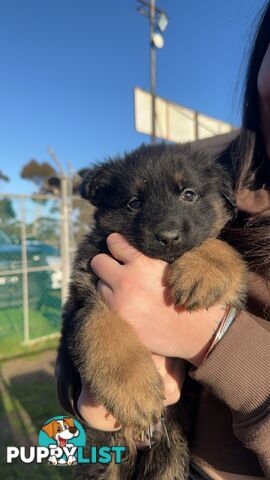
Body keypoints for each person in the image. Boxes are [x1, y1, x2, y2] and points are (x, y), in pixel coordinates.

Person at [75, 2, 270, 479]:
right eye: (137, 204)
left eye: (186, 194)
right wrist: (91, 389)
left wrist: (214, 338)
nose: (167, 225)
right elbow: (84, 312)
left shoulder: (216, 202)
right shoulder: (225, 162)